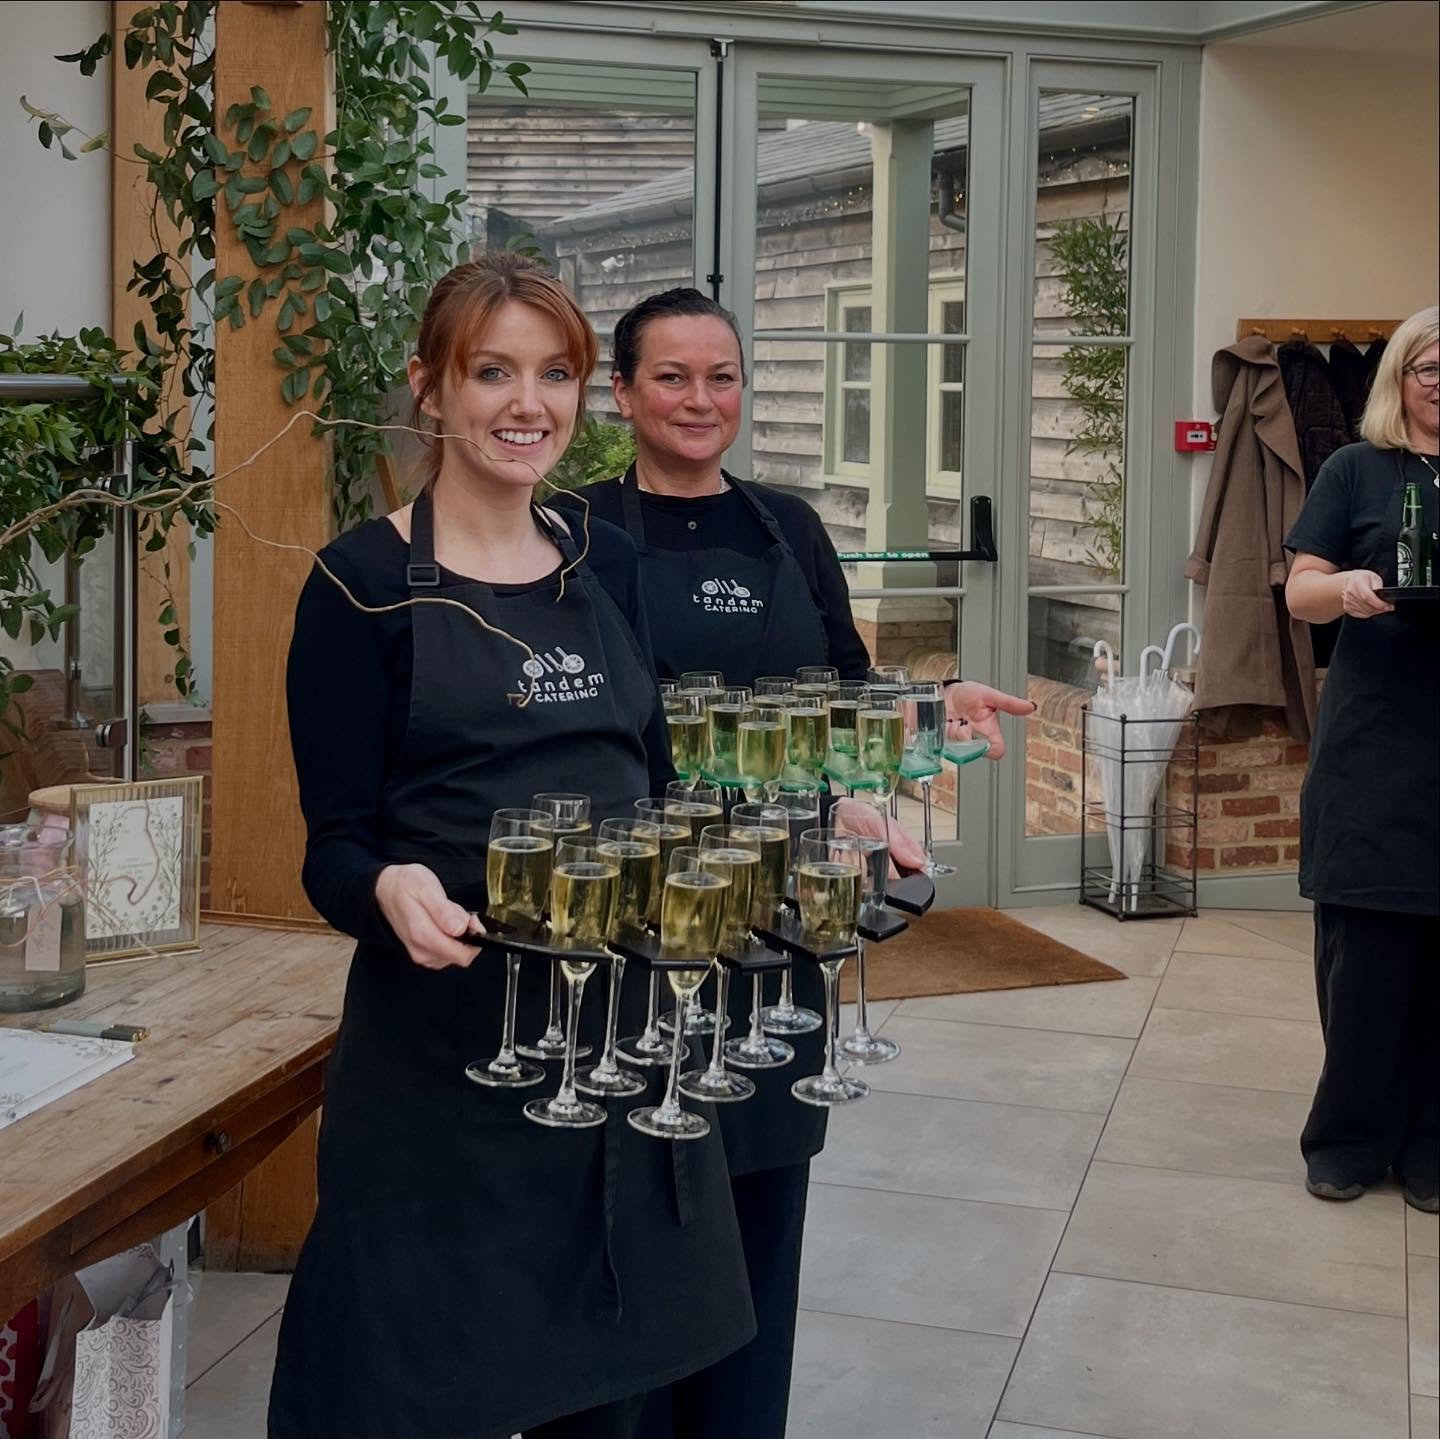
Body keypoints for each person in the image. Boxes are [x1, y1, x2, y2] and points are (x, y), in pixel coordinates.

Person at [271, 255, 756, 1439]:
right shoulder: (360, 585)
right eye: (492, 371)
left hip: (618, 1046)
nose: (527, 402)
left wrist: (813, 817)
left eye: (555, 373)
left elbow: (660, 785)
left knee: (609, 1391)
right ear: (431, 387)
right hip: (446, 1071)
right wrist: (386, 885)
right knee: (415, 1393)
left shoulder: (607, 563)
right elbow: (333, 848)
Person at [569, 287, 1032, 1437]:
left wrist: (924, 714)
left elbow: (844, 693)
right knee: (632, 1214)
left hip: (778, 916)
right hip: (634, 924)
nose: (701, 398)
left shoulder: (787, 525)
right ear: (621, 392)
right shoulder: (571, 533)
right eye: (672, 375)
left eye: (722, 375)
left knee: (760, 1206)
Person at [1283, 304, 1438, 1215]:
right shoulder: (1354, 468)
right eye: (1430, 369)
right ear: (1399, 378)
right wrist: (1344, 586)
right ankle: (1346, 1138)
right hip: (1375, 744)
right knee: (1369, 957)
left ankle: (1431, 1143)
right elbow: (1299, 591)